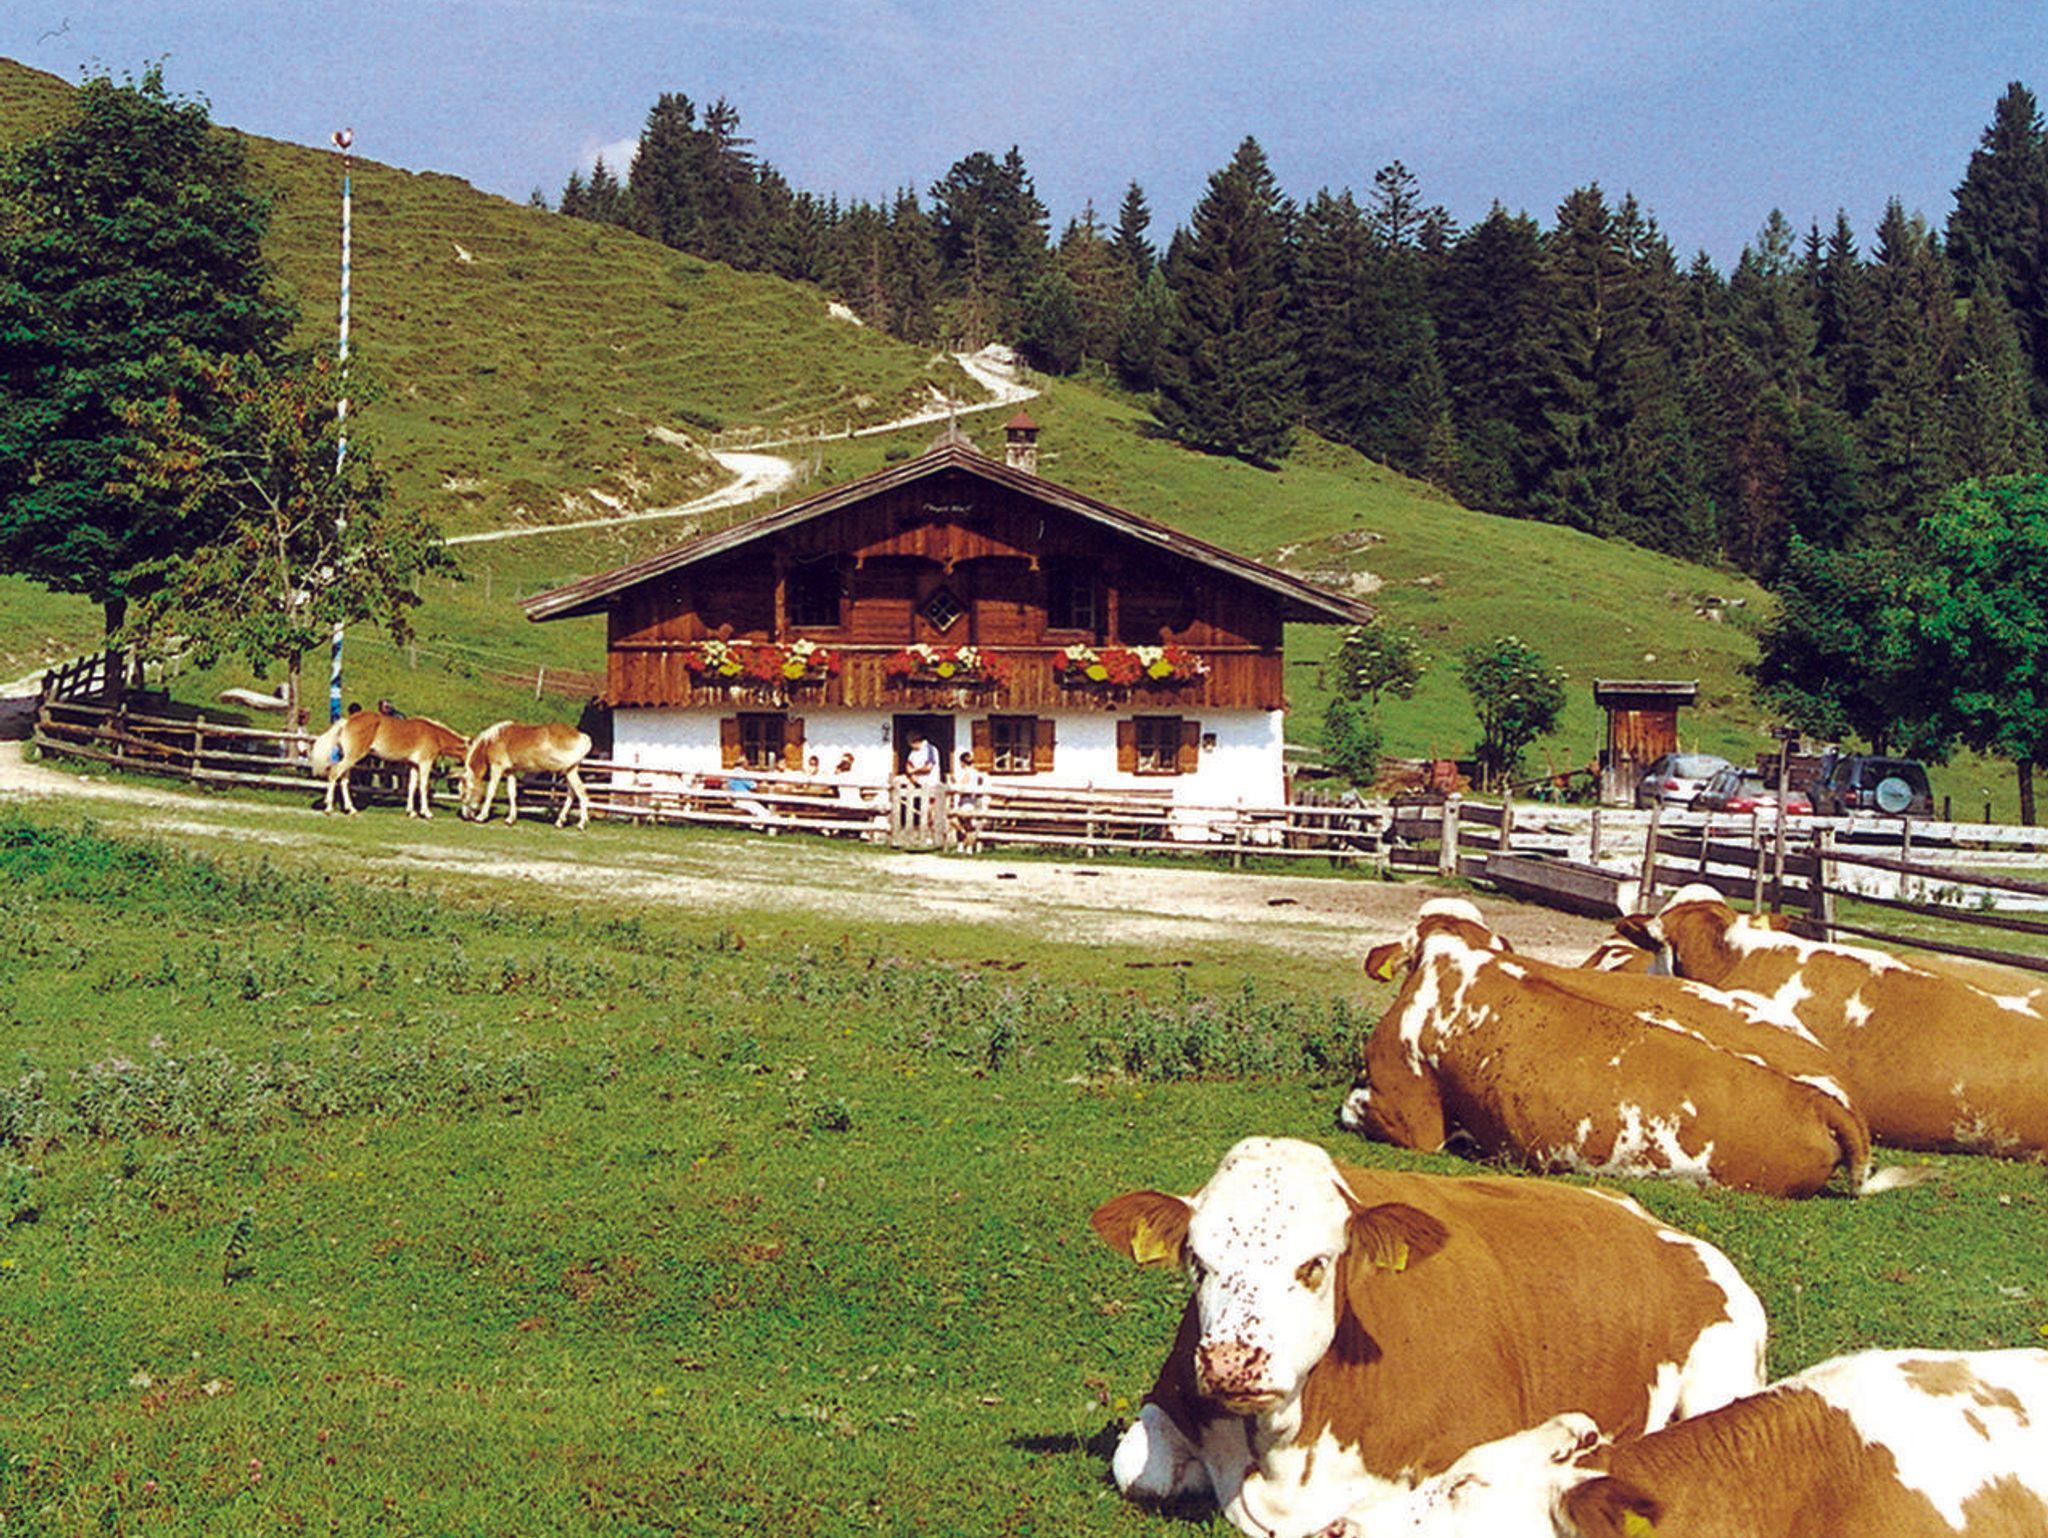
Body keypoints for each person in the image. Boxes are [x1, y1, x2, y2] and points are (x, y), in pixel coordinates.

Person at [950, 749, 986, 851]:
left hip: (967, 801)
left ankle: (964, 839)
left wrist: (955, 783)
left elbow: (962, 786)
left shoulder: (967, 773)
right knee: (966, 824)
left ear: (962, 762)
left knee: (956, 820)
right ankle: (966, 846)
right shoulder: (976, 773)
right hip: (973, 801)